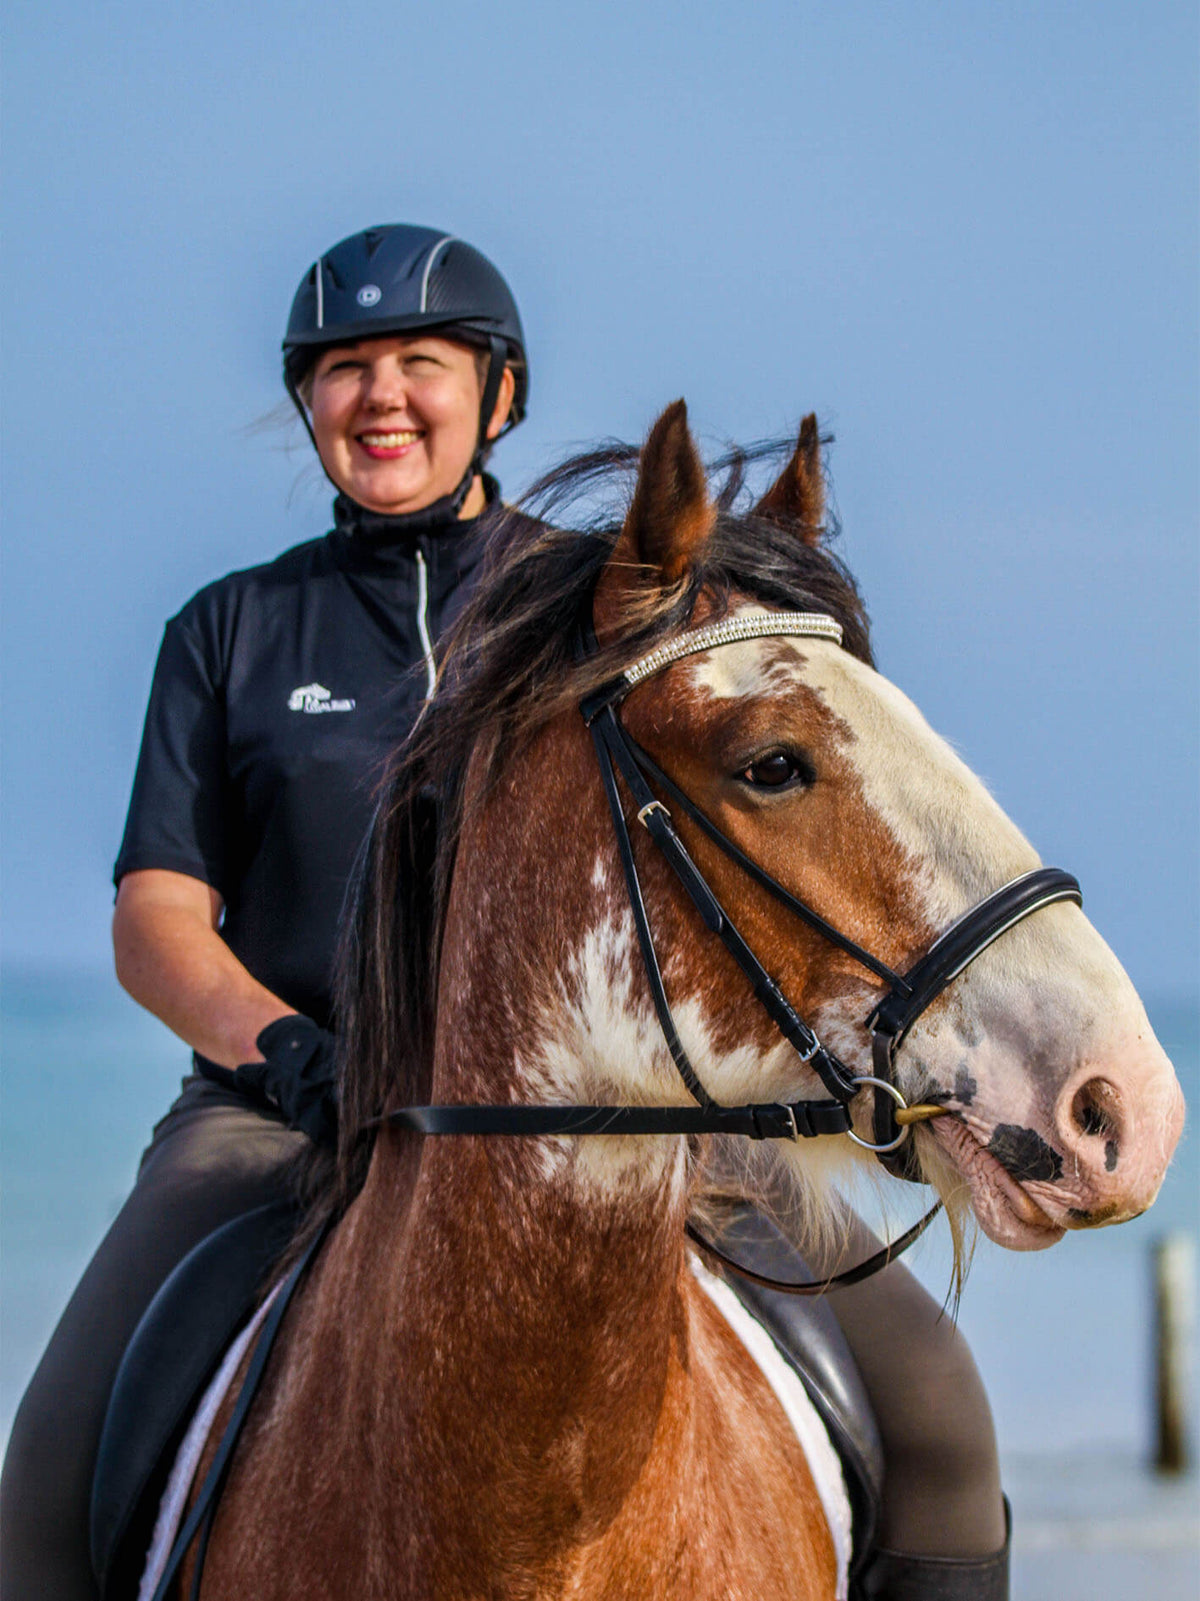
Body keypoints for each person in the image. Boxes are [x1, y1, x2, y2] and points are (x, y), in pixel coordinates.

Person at [0, 223, 1007, 1601]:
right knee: (51, 1462)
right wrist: (289, 1050)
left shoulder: (594, 608)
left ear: (502, 393)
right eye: (344, 367)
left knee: (935, 1399)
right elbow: (157, 915)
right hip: (278, 1099)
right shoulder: (229, 631)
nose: (382, 395)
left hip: (610, 1096)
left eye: (422, 359)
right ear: (308, 402)